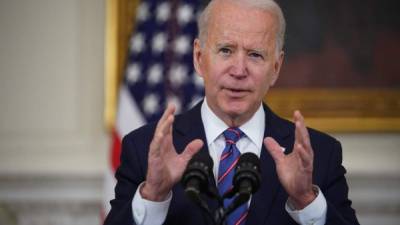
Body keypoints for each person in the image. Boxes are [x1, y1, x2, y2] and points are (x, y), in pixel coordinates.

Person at [104, 0, 360, 224]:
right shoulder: (144, 149)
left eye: (255, 55)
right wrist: (153, 196)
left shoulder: (320, 155)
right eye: (226, 50)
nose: (239, 70)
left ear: (276, 67)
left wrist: (306, 201)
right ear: (198, 57)